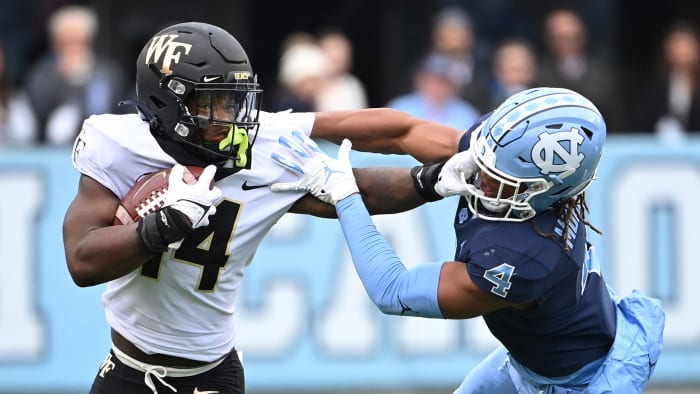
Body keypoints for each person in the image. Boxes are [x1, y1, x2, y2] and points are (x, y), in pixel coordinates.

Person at [62, 21, 464, 394]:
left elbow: (388, 141)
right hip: (124, 367)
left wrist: (447, 169)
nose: (234, 119)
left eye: (236, 101)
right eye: (216, 103)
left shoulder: (265, 145)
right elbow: (82, 261)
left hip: (208, 375)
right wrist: (164, 225)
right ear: (168, 102)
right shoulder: (116, 143)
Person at [271, 87, 666, 393]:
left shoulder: (525, 258)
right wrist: (297, 125)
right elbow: (403, 130)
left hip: (578, 381)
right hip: (535, 355)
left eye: (503, 179)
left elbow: (392, 290)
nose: (483, 175)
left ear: (545, 191)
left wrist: (345, 194)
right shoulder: (505, 151)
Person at [25, 5, 127, 145]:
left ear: (89, 41)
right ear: (55, 42)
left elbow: (117, 110)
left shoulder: (108, 71)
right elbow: (39, 114)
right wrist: (67, 81)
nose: (73, 48)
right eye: (66, 42)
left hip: (103, 145)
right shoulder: (42, 74)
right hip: (54, 150)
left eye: (78, 41)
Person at [387, 52, 481, 130]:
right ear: (420, 80)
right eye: (432, 80)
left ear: (454, 85)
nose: (438, 87)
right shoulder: (399, 108)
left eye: (444, 82)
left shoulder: (467, 114)